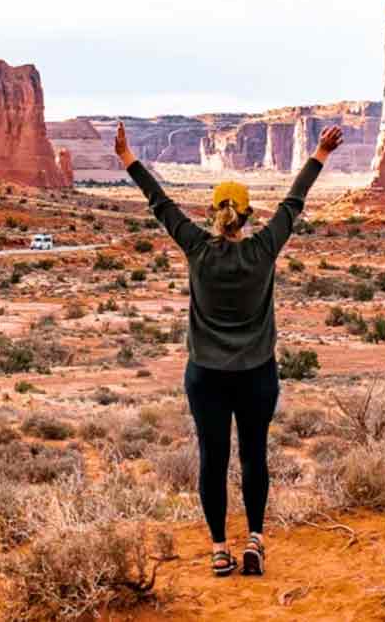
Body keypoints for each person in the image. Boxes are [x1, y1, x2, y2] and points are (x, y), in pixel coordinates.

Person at [116, 121, 344, 578]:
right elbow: (293, 203)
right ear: (248, 216)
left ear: (211, 212)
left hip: (205, 376)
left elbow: (160, 204)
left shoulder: (197, 248)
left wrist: (127, 159)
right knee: (254, 455)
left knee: (212, 460)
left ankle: (220, 549)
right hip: (257, 374)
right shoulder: (263, 249)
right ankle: (255, 541)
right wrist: (319, 153)